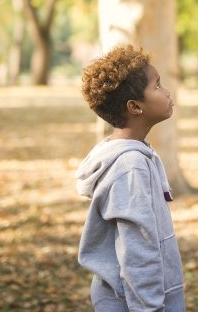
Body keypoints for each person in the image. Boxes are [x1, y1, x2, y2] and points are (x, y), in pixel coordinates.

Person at [75, 45, 185, 311]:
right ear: (135, 106)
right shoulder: (130, 167)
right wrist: (150, 308)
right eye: (157, 86)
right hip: (134, 302)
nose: (167, 91)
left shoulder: (136, 155)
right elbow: (138, 250)